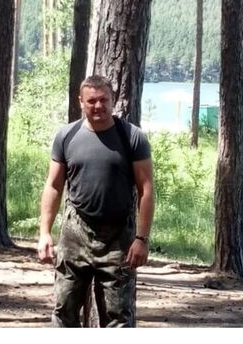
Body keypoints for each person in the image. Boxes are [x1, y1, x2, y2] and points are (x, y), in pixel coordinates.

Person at [37, 75, 154, 328]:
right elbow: (53, 186)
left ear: (113, 100)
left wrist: (142, 239)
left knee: (118, 318)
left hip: (118, 238)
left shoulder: (132, 137)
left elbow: (146, 189)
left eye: (104, 100)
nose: (98, 106)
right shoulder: (67, 136)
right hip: (75, 233)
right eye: (91, 101)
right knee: (64, 311)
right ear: (81, 102)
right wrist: (45, 232)